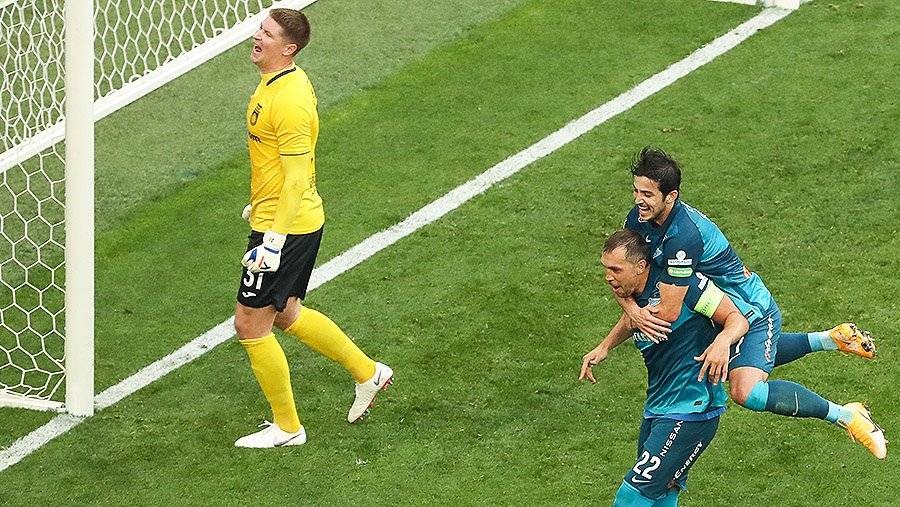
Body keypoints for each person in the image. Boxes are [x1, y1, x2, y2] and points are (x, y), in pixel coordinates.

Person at [617, 147, 885, 459]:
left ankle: (847, 415)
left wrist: (638, 319)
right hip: (714, 308)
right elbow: (622, 270)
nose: (639, 200)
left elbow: (668, 310)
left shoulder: (683, 238)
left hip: (749, 311)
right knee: (728, 356)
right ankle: (830, 339)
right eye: (636, 191)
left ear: (671, 196)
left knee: (746, 390)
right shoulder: (638, 219)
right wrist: (633, 310)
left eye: (647, 194)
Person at [233, 8, 392, 448]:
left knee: (250, 324)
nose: (257, 37)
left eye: (268, 34)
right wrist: (260, 200)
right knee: (285, 312)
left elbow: (297, 176)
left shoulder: (290, 100)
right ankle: (368, 373)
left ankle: (288, 429)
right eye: (260, 29)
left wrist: (273, 240)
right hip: (281, 218)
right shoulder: (276, 83)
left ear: (289, 48)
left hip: (285, 229)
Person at [580, 230, 749, 506]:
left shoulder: (683, 287)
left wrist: (722, 341)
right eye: (605, 268)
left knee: (630, 496)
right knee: (662, 493)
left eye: (616, 270)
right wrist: (605, 346)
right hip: (658, 408)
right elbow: (633, 320)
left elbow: (736, 319)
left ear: (641, 266)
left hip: (691, 410)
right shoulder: (636, 299)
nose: (608, 277)